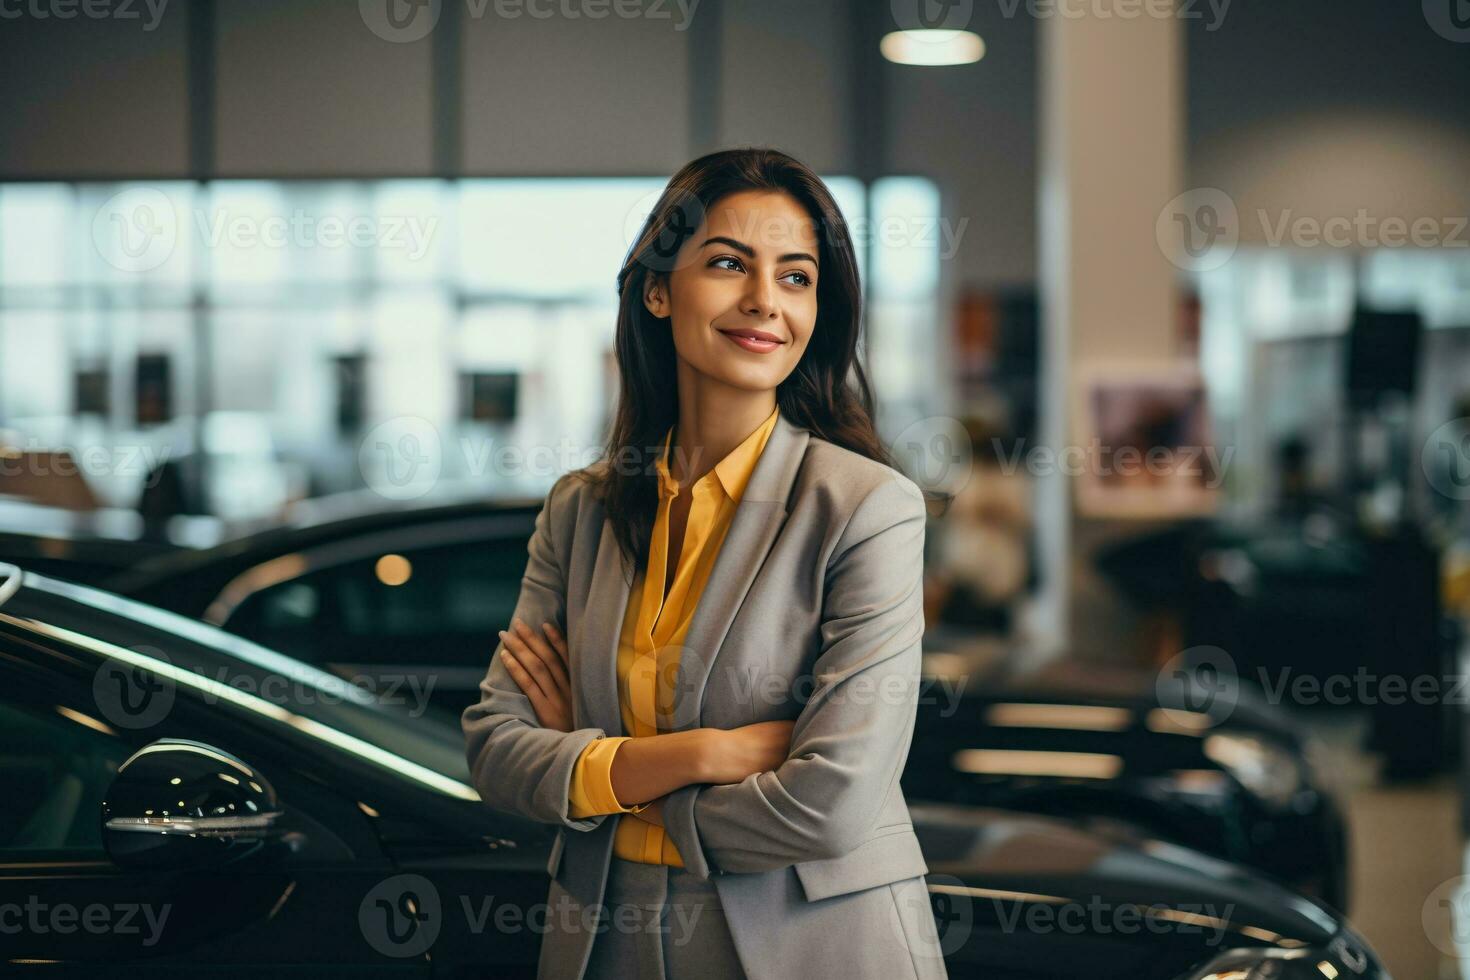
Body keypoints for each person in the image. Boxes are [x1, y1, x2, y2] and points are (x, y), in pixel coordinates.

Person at [462, 148, 947, 980]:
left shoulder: (867, 508)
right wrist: (704, 755)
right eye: (728, 264)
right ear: (658, 288)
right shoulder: (582, 510)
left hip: (809, 948)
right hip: (607, 942)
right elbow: (495, 751)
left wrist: (596, 775)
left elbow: (830, 803)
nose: (765, 301)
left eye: (796, 278)